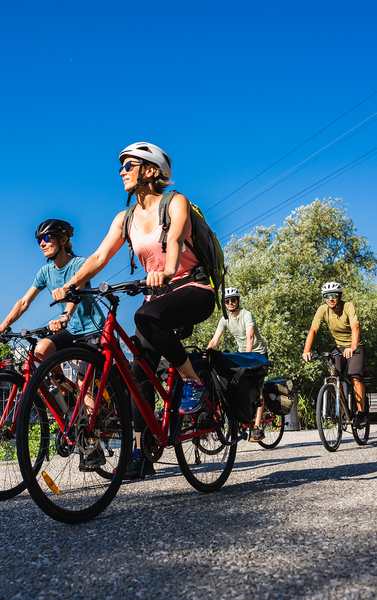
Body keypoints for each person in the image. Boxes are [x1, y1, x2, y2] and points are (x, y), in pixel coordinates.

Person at [52, 142, 216, 478]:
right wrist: (72, 284)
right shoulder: (124, 218)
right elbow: (99, 258)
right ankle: (140, 455)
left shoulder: (175, 202)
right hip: (156, 298)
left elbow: (175, 241)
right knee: (137, 376)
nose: (122, 172)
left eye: (129, 165)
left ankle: (193, 381)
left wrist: (168, 270)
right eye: (122, 167)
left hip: (194, 289)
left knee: (144, 316)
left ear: (151, 170)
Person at [0, 219, 106, 468]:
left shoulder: (79, 264)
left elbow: (76, 290)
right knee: (40, 350)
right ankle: (65, 397)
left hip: (91, 329)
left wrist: (65, 316)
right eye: (39, 240)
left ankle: (93, 448)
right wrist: (3, 325)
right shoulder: (45, 272)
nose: (42, 243)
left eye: (47, 238)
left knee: (84, 384)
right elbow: (24, 302)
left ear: (63, 240)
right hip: (69, 330)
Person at [206, 287, 271, 441]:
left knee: (257, 389)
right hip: (242, 354)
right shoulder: (225, 319)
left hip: (257, 354)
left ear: (238, 301)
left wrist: (246, 359)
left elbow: (250, 337)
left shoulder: (246, 315)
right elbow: (215, 340)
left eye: (233, 300)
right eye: (227, 301)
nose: (230, 303)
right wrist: (206, 352)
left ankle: (257, 427)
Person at [302, 282, 367, 427]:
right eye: (327, 296)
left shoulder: (348, 307)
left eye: (333, 295)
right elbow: (313, 330)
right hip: (338, 348)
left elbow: (355, 327)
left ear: (340, 296)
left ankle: (361, 414)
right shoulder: (322, 310)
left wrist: (353, 347)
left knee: (355, 377)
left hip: (355, 346)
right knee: (332, 378)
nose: (330, 299)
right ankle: (343, 409)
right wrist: (306, 350)